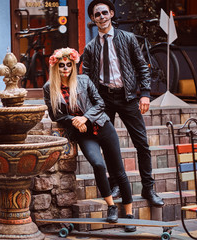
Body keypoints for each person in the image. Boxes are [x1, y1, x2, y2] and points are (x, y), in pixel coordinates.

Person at [43, 47, 136, 232]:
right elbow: (56, 116)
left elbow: (100, 103)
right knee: (98, 164)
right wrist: (74, 121)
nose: (65, 69)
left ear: (74, 65)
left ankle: (129, 214)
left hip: (102, 126)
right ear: (55, 67)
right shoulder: (49, 88)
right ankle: (111, 206)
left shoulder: (84, 80)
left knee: (118, 171)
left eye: (69, 65)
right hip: (83, 134)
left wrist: (85, 118)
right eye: (61, 65)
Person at [82, 0, 164, 207]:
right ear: (92, 19)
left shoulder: (127, 39)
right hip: (103, 100)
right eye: (96, 14)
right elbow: (86, 78)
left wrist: (145, 93)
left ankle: (148, 188)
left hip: (127, 98)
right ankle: (116, 184)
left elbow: (142, 67)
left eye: (104, 13)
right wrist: (89, 105)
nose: (101, 17)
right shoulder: (90, 47)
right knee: (109, 146)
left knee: (142, 144)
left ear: (111, 14)